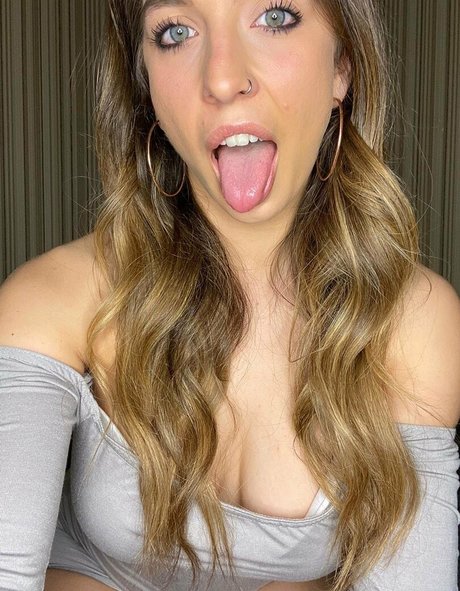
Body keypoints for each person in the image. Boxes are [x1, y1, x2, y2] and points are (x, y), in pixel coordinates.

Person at [0, 0, 459, 589]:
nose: (221, 79)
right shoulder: (51, 300)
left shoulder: (415, 321)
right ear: (147, 87)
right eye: (176, 31)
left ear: (342, 67)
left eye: (275, 17)